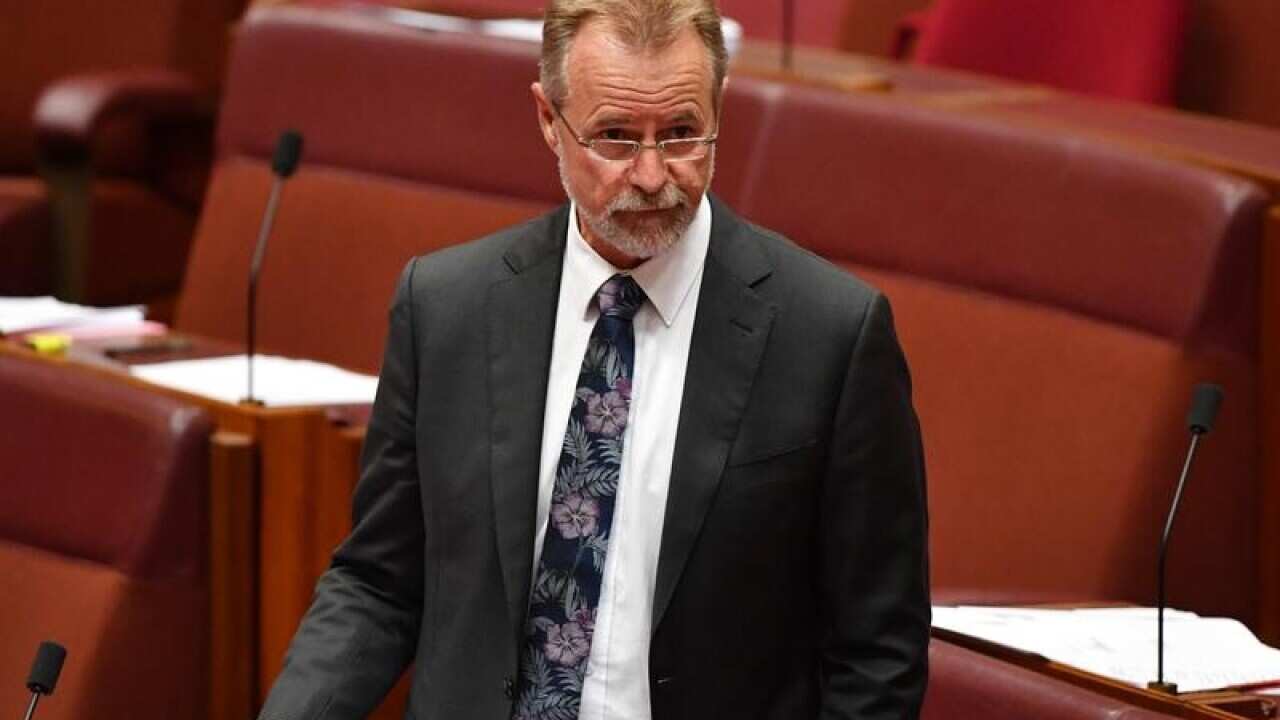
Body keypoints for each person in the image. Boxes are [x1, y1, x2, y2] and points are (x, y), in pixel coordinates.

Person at [258, 1, 930, 718]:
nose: (652, 175)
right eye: (615, 137)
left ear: (719, 109)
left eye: (681, 133)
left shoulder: (829, 336)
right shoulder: (447, 307)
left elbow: (876, 653)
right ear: (549, 119)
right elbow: (380, 579)